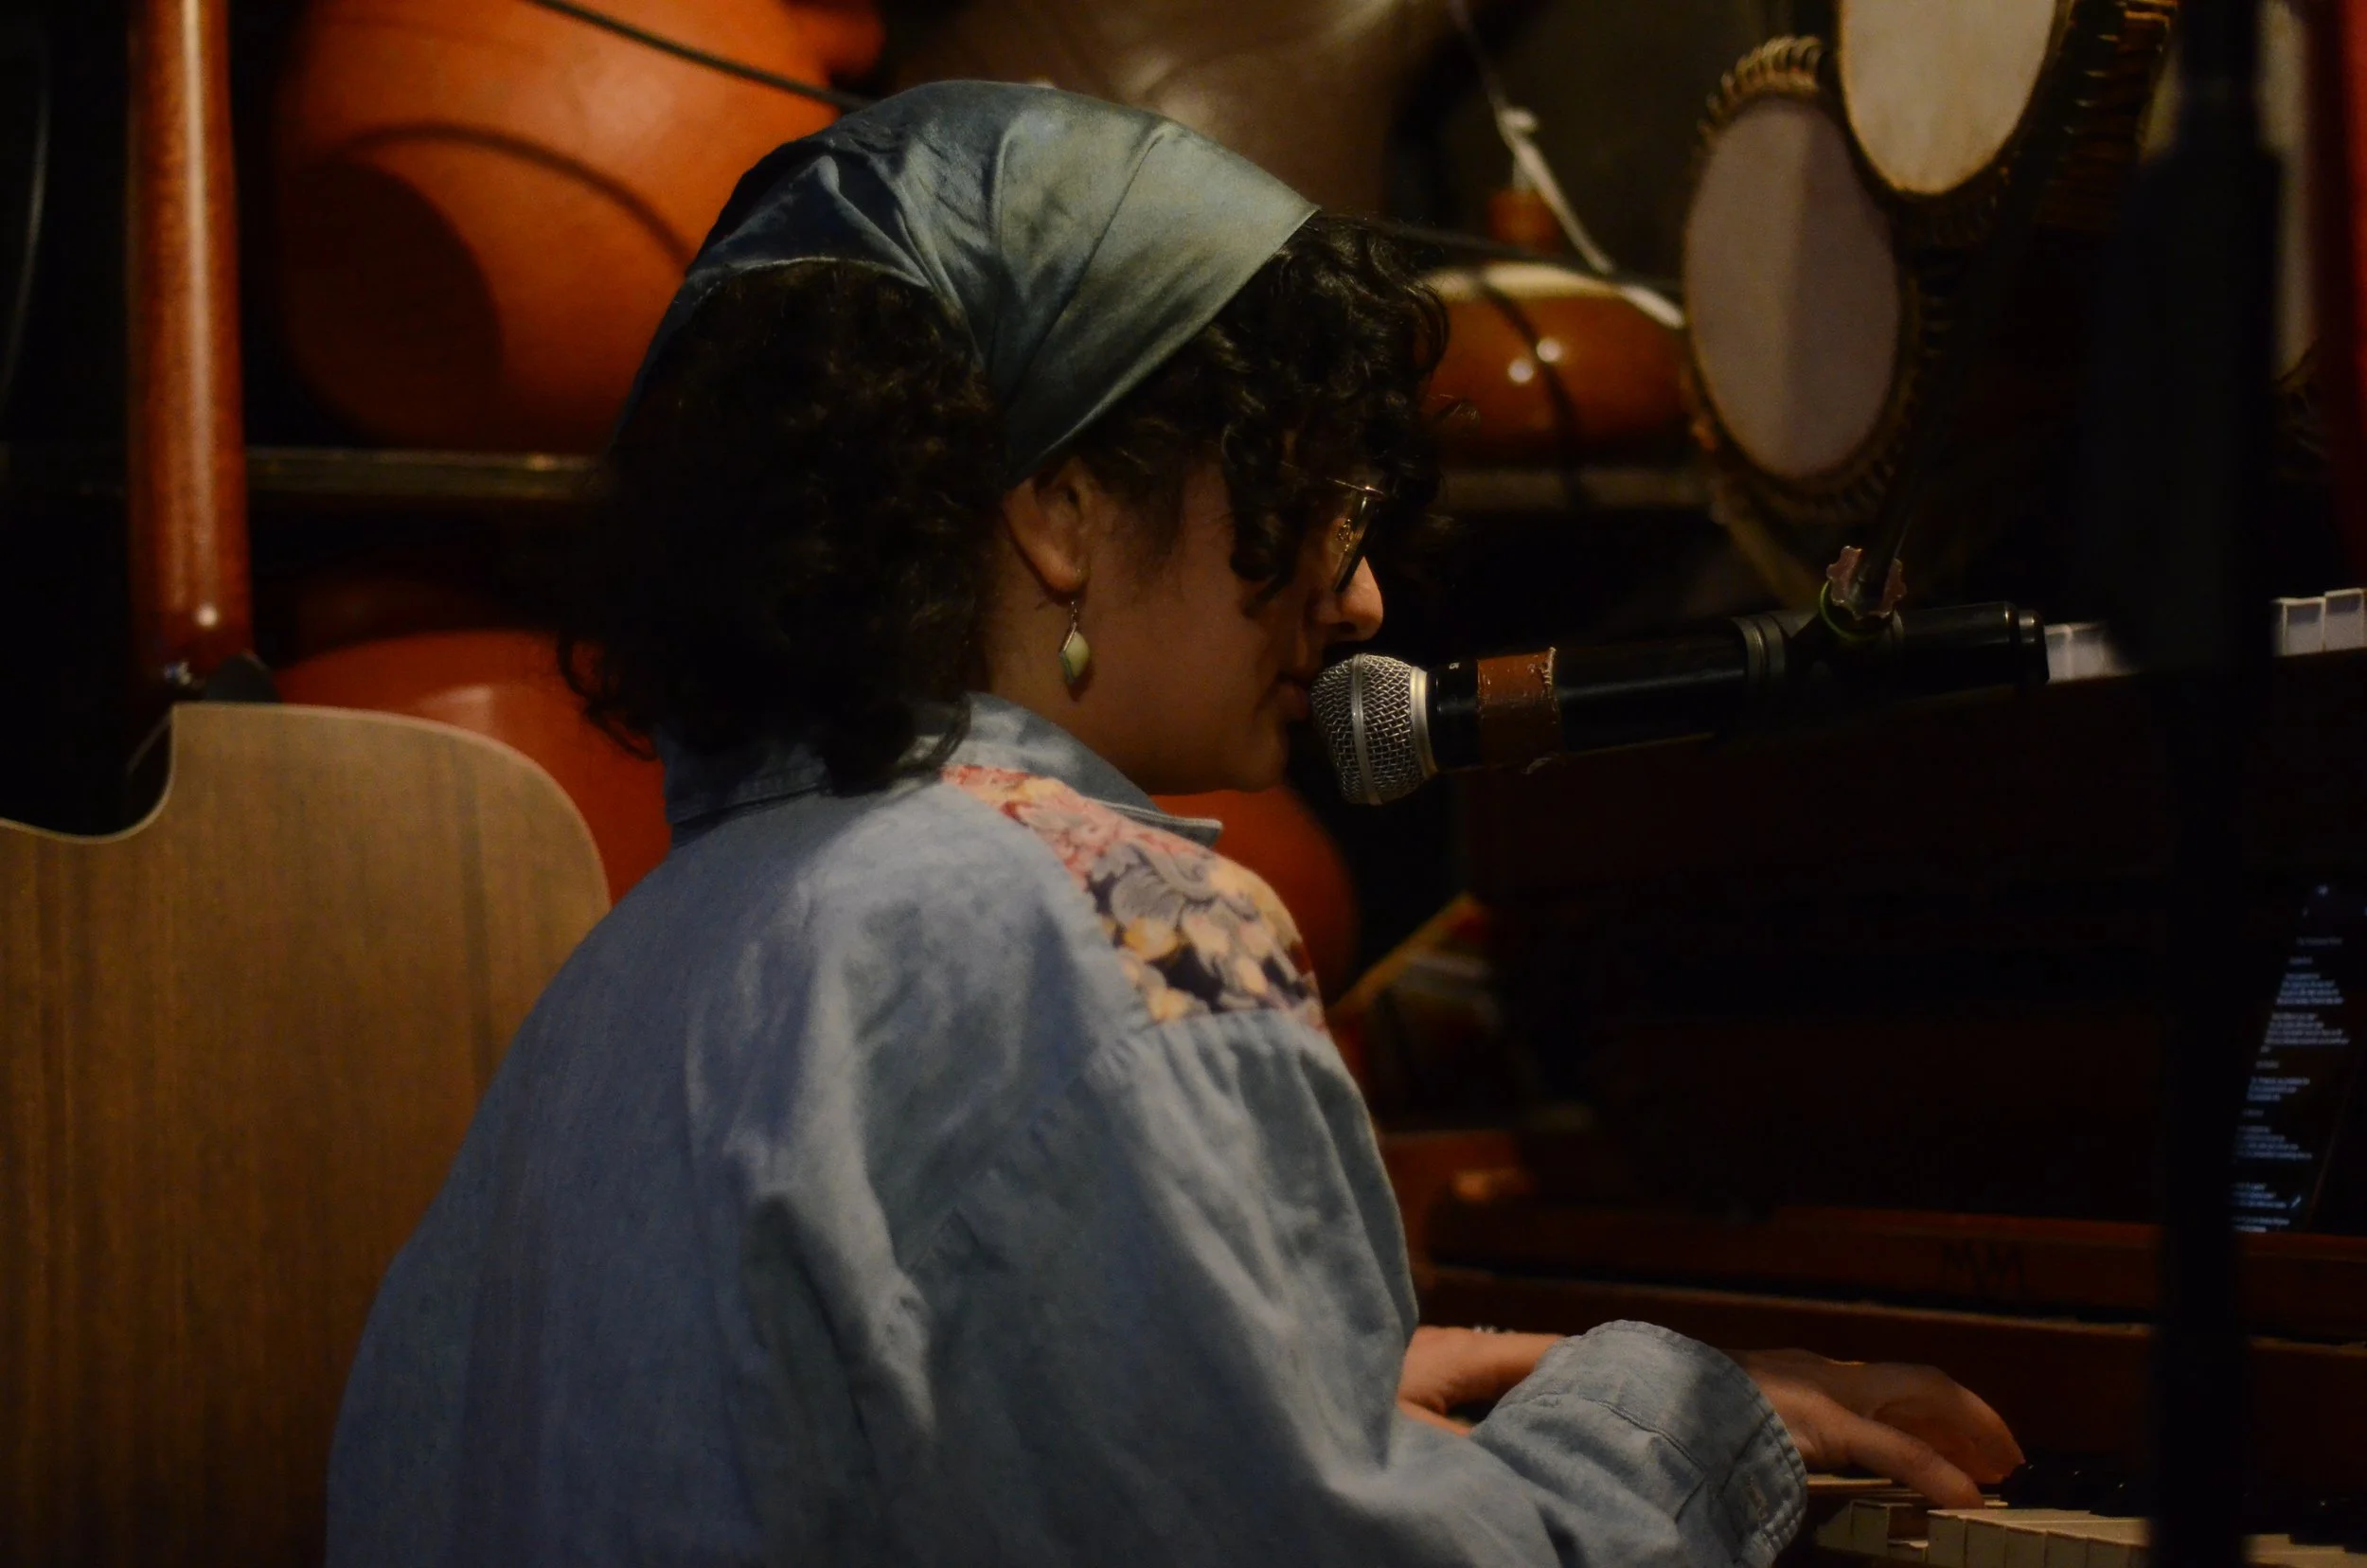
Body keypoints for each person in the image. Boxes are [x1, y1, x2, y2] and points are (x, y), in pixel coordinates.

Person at [325, 82, 2021, 1565]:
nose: (1359, 596)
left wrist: (1310, 1391)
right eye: (1310, 493)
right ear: (1062, 512)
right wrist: (1675, 1412)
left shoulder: (613, 986)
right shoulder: (1109, 922)